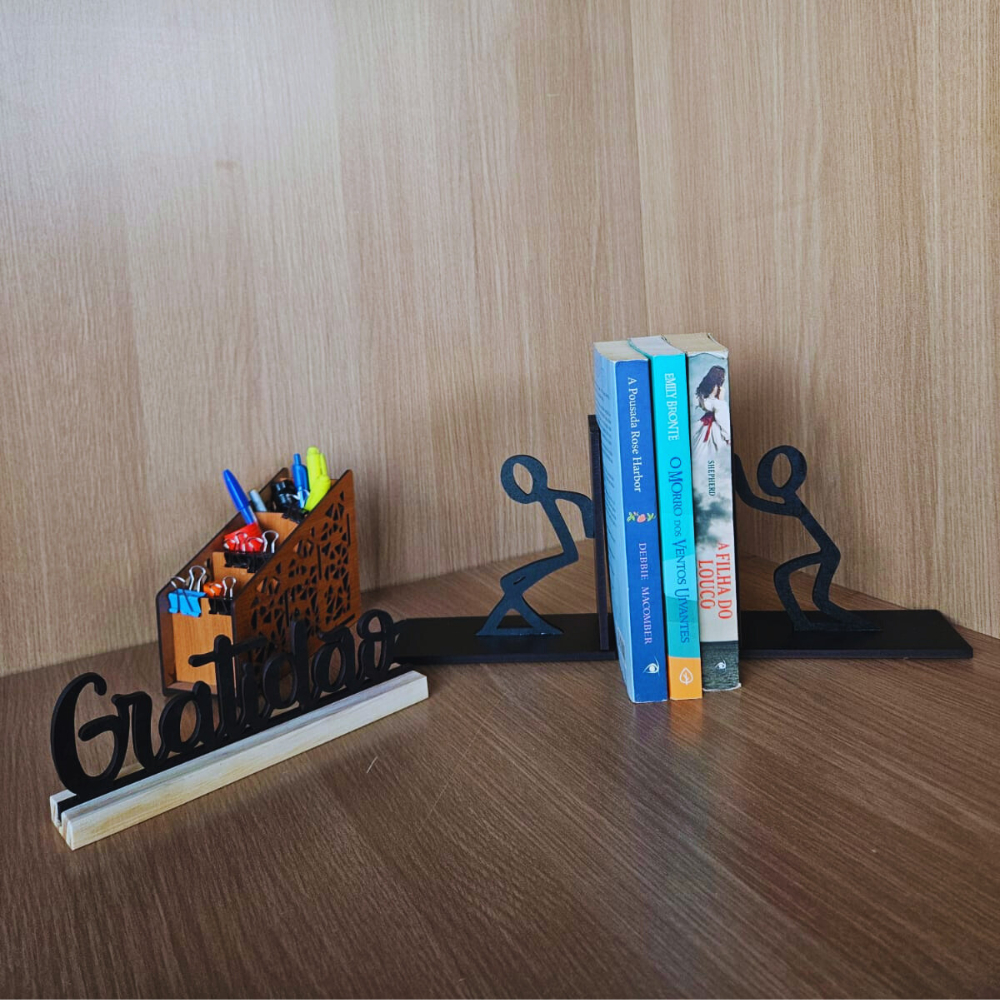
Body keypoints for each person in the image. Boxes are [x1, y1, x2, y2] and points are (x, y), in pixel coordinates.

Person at [692, 364, 730, 461]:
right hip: (714, 425)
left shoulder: (703, 388)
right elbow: (721, 413)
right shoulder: (720, 389)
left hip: (704, 423)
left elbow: (698, 403)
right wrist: (727, 436)